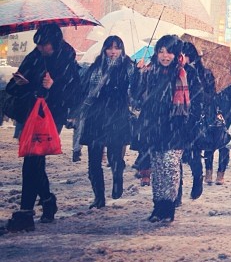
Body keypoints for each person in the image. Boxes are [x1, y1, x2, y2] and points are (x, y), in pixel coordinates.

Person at [5, 23, 80, 232]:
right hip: (31, 114)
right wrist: (23, 84)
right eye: (38, 44)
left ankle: (26, 213)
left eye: (44, 44)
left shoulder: (67, 59)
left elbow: (73, 94)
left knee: (34, 160)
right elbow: (14, 86)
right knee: (33, 160)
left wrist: (52, 87)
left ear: (54, 42)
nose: (40, 48)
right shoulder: (34, 56)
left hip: (52, 116)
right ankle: (45, 201)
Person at [131, 35, 202, 224]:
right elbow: (137, 97)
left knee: (170, 167)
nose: (165, 56)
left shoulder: (186, 73)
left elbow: (197, 101)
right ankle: (157, 206)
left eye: (169, 52)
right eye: (161, 51)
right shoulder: (149, 72)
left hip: (177, 128)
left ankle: (168, 208)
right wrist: (137, 74)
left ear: (177, 54)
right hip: (154, 127)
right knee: (158, 168)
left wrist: (186, 122)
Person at [75, 35, 135, 208]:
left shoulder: (128, 67)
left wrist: (140, 74)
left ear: (122, 50)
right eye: (110, 48)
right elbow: (85, 87)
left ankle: (118, 178)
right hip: (96, 117)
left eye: (117, 48)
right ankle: (99, 197)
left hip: (117, 116)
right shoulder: (96, 67)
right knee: (94, 160)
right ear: (104, 49)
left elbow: (135, 91)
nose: (113, 52)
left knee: (115, 156)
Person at [179, 41, 214, 201]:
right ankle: (176, 190)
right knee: (174, 158)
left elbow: (209, 96)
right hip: (177, 119)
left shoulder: (201, 73)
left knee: (193, 154)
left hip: (194, 119)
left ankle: (197, 178)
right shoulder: (174, 71)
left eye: (183, 55)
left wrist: (195, 106)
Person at [208, 80, 231, 183]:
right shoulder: (210, 80)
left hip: (227, 118)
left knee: (224, 147)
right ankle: (208, 171)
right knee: (209, 145)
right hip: (211, 117)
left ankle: (221, 173)